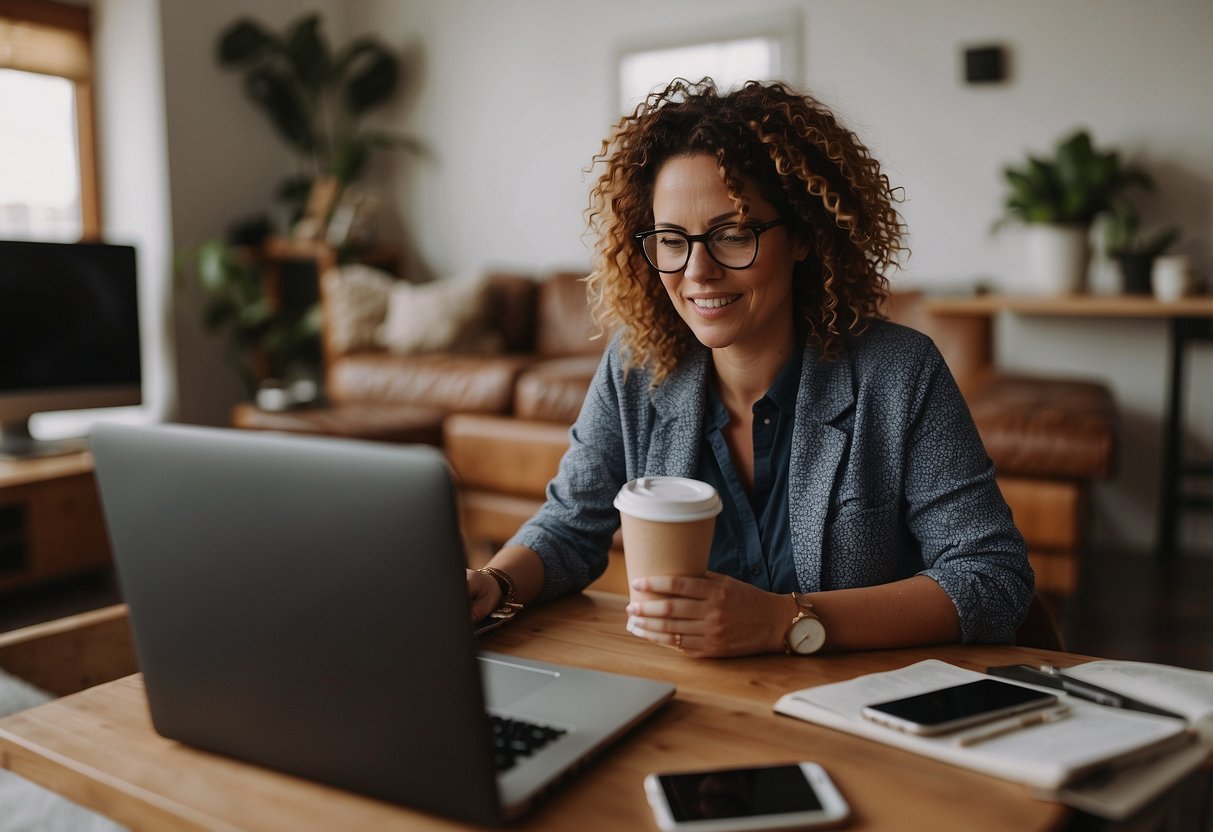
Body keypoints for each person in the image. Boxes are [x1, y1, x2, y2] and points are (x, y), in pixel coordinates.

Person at [467, 78, 1032, 657]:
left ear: (803, 236)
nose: (697, 271)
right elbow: (569, 526)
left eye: (732, 234)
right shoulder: (636, 368)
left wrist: (785, 620)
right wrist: (494, 583)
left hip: (860, 709)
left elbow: (992, 576)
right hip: (692, 704)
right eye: (671, 240)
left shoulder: (900, 374)